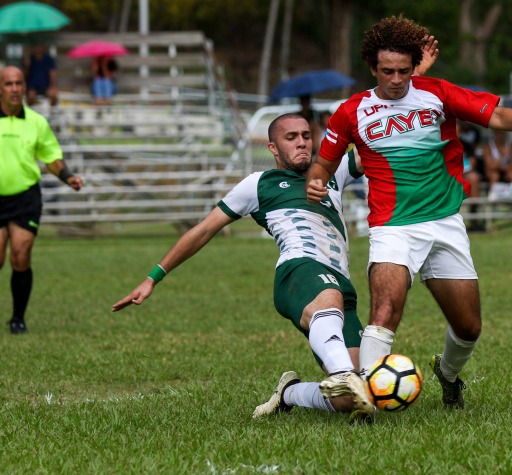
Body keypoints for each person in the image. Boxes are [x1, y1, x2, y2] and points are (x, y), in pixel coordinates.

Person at [305, 16, 512, 409]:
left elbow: (498, 115)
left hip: (444, 221)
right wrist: (316, 179)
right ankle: (367, 400)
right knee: (385, 309)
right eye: (388, 71)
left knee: (468, 327)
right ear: (372, 68)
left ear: (414, 67)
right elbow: (323, 163)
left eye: (404, 70)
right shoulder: (351, 112)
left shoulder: (438, 93)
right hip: (392, 225)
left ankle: (448, 375)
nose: (397, 78)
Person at [111, 113, 376, 424]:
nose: (302, 142)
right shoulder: (258, 184)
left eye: (305, 135)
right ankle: (342, 373)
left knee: (350, 398)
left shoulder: (332, 173)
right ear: (273, 148)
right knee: (331, 310)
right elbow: (203, 230)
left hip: (342, 285)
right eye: (291, 138)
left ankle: (289, 392)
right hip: (299, 271)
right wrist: (153, 278)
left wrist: (402, 91)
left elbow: (376, 147)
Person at [0, 66, 83, 334]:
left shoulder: (36, 122)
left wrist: (67, 176)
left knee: (20, 256)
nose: (14, 89)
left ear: (24, 87)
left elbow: (52, 158)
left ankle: (18, 319)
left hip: (26, 197)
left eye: (19, 83)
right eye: (8, 84)